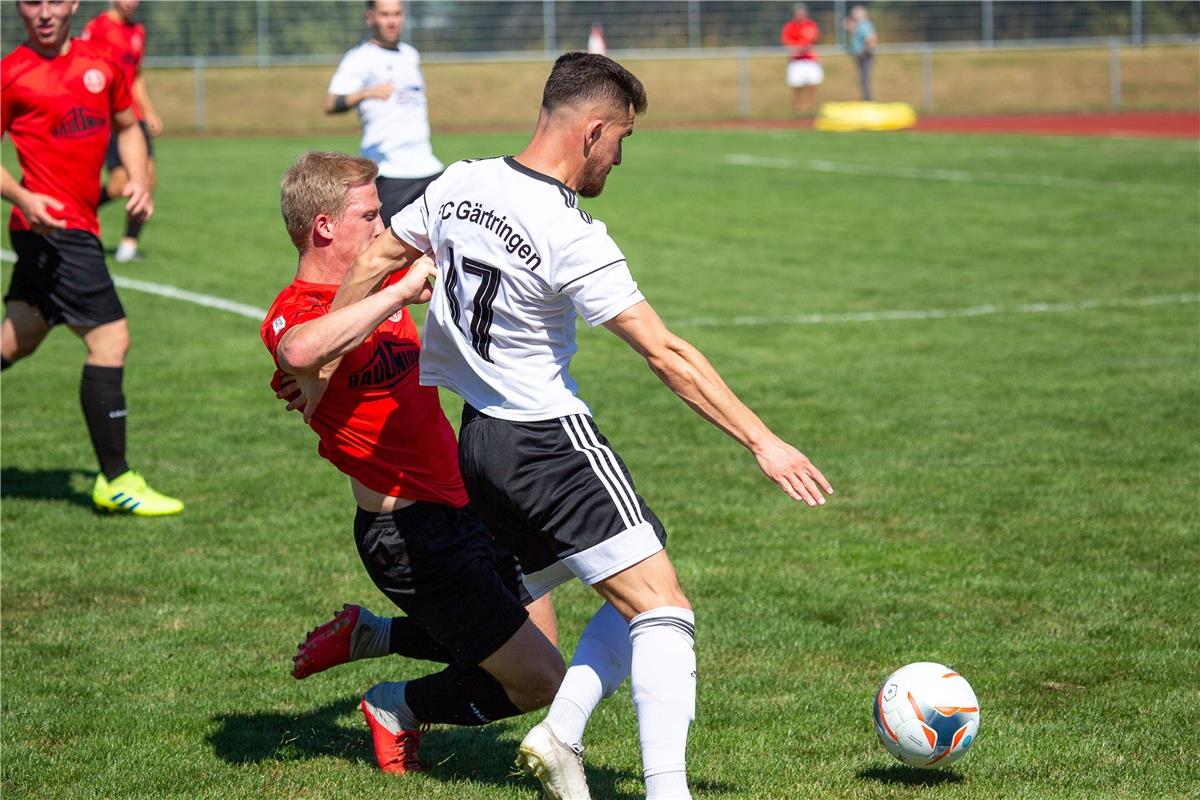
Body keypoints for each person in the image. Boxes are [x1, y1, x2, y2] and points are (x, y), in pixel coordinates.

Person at [321, 52, 834, 800]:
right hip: (547, 439)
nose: (620, 156)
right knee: (662, 607)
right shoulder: (571, 231)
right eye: (622, 138)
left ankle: (559, 734)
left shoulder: (459, 181)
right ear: (592, 130)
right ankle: (665, 791)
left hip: (481, 444)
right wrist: (764, 440)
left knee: (630, 581)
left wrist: (321, 355)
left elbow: (375, 258)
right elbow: (667, 354)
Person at [262, 151, 565, 775]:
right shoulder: (296, 306)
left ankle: (376, 637)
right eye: (370, 215)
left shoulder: (378, 286)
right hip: (409, 532)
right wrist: (397, 289)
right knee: (538, 681)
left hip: (472, 501)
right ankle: (396, 704)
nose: (383, 225)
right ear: (324, 227)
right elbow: (300, 348)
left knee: (540, 650)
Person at [1, 0, 182, 517]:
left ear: (73, 3)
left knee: (21, 333)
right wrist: (24, 197)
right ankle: (116, 479)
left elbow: (127, 126)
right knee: (110, 337)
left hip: (74, 224)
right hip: (53, 230)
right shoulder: (11, 75)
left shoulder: (101, 63)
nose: (43, 11)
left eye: (53, 0)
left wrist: (140, 179)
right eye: (30, 1)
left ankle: (116, 477)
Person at [325, 0, 442, 223]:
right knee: (385, 251)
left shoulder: (410, 55)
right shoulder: (360, 58)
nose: (392, 21)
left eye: (397, 14)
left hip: (427, 167)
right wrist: (365, 93)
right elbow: (332, 102)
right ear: (370, 17)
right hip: (390, 174)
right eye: (385, 14)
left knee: (436, 249)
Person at [81, 0, 162, 264]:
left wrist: (148, 111)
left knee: (148, 179)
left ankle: (128, 245)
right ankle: (79, 209)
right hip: (107, 115)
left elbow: (136, 75)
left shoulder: (138, 31)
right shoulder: (98, 28)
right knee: (119, 185)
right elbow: (83, 69)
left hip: (133, 117)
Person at [781, 3, 823, 117]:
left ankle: (811, 110)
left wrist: (805, 47)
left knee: (812, 85)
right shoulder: (790, 26)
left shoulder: (811, 25)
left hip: (810, 60)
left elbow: (815, 39)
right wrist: (800, 48)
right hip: (796, 61)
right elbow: (788, 44)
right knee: (797, 87)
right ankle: (798, 111)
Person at [845, 4, 877, 101]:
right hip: (861, 56)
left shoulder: (864, 25)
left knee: (865, 79)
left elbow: (871, 40)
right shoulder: (859, 25)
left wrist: (863, 53)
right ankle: (865, 99)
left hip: (865, 56)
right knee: (863, 80)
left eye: (855, 14)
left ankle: (868, 100)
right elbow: (849, 28)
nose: (853, 15)